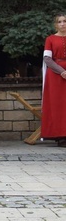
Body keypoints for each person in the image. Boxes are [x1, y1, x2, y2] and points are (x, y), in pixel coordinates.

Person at [41, 13, 66, 146]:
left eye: (65, 21)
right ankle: (60, 135)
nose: (62, 24)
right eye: (60, 22)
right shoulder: (50, 39)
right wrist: (61, 71)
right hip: (55, 75)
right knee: (57, 105)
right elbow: (47, 59)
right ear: (56, 24)